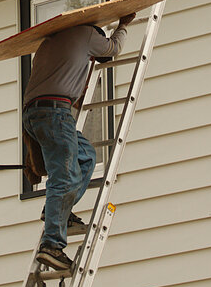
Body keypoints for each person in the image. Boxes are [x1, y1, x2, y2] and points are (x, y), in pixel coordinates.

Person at [22, 15, 135, 270]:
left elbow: (57, 78)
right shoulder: (87, 34)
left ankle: (62, 211)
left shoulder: (50, 43)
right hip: (54, 113)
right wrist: (123, 25)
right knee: (64, 177)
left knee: (86, 156)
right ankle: (51, 245)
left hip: (35, 114)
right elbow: (112, 49)